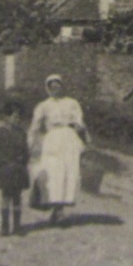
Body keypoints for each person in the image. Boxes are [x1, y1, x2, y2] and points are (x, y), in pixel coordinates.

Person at [28, 74, 88, 225]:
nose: (55, 89)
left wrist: (81, 132)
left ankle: (60, 210)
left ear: (62, 86)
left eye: (58, 86)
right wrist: (30, 145)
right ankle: (55, 208)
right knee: (54, 173)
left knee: (68, 173)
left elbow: (80, 122)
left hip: (69, 139)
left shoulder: (72, 103)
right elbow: (34, 127)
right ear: (48, 88)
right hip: (52, 140)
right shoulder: (44, 105)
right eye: (52, 87)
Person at [0, 101, 31, 237]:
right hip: (5, 169)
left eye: (19, 118)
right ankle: (5, 226)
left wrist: (24, 165)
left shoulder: (22, 133)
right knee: (6, 197)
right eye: (14, 117)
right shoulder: (0, 132)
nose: (17, 120)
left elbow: (26, 152)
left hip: (18, 169)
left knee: (17, 197)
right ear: (6, 118)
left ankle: (17, 226)